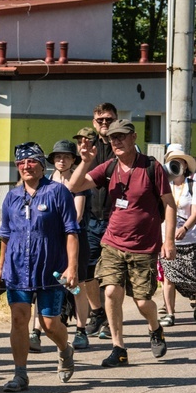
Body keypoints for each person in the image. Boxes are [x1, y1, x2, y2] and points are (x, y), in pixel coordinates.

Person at [68, 119, 175, 366]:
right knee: (112, 291)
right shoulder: (108, 168)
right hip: (113, 242)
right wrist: (85, 161)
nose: (116, 141)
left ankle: (155, 327)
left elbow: (169, 204)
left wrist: (168, 240)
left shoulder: (151, 167)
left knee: (142, 301)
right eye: (113, 137)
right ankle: (119, 348)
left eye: (121, 136)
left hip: (145, 246)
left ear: (134, 137)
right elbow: (74, 187)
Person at [0, 142, 79, 392]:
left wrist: (72, 267)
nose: (25, 166)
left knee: (49, 323)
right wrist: (0, 268)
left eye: (31, 161)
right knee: (19, 319)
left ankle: (65, 350)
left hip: (50, 268)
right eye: (20, 163)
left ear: (42, 164)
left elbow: (71, 231)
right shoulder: (12, 196)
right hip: (17, 268)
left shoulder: (57, 192)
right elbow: (5, 235)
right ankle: (20, 374)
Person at [47, 140, 92, 350]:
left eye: (65, 156)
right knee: (44, 282)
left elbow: (77, 214)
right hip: (51, 240)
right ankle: (38, 330)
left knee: (78, 285)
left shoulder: (78, 182)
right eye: (57, 157)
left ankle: (81, 330)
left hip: (75, 238)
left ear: (73, 160)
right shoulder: (46, 181)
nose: (61, 160)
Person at [79, 103, 118, 339]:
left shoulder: (123, 146)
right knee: (87, 271)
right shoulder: (87, 147)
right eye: (101, 120)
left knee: (113, 274)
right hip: (91, 218)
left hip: (115, 219)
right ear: (94, 122)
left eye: (109, 119)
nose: (105, 123)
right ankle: (97, 312)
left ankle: (110, 322)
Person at [159, 144, 196, 326]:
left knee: (193, 276)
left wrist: (185, 228)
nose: (177, 164)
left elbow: (195, 212)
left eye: (180, 161)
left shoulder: (192, 184)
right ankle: (170, 313)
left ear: (185, 164)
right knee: (168, 277)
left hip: (190, 240)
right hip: (167, 239)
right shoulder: (164, 185)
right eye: (173, 161)